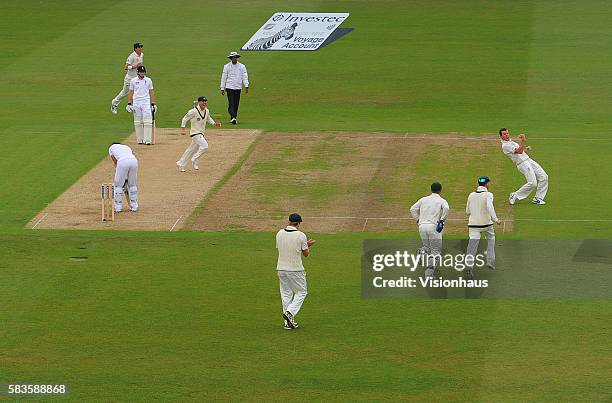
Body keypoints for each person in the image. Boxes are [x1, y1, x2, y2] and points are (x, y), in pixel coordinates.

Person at [276, 213, 315, 330]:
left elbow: (283, 248)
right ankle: (290, 312)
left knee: (286, 294)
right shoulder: (301, 235)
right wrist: (307, 245)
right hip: (295, 269)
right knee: (301, 292)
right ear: (298, 223)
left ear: (289, 221)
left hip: (281, 268)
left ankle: (287, 323)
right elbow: (306, 254)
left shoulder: (279, 233)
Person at [410, 182, 450, 278]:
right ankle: (429, 274)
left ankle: (421, 253)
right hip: (433, 227)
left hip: (422, 226)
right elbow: (446, 208)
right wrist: (442, 220)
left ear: (431, 189)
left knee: (427, 247)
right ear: (440, 190)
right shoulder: (441, 200)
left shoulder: (423, 199)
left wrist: (418, 220)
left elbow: (412, 209)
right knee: (435, 252)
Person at [499, 128, 548, 205]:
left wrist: (526, 149)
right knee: (533, 183)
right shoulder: (505, 145)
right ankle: (515, 195)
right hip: (522, 164)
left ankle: (538, 198)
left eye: (507, 133)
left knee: (544, 176)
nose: (507, 135)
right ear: (501, 136)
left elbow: (522, 152)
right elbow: (519, 151)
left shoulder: (512, 142)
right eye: (504, 134)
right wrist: (522, 141)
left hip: (528, 160)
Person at [465, 176, 501, 278]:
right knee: (491, 239)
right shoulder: (489, 194)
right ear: (487, 184)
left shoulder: (471, 195)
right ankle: (490, 262)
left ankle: (469, 267)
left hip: (473, 225)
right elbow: (489, 206)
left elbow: (467, 211)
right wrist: (496, 219)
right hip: (487, 224)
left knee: (472, 247)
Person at [176, 96, 221, 172]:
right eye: (203, 101)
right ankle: (194, 159)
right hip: (195, 133)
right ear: (199, 102)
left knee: (190, 150)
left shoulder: (207, 110)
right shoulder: (193, 111)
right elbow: (185, 119)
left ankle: (181, 163)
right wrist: (183, 129)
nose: (204, 103)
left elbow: (208, 118)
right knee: (205, 146)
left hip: (201, 133)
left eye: (205, 101)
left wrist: (214, 124)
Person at [111, 43, 144, 114]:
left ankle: (131, 106)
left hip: (137, 78)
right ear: (135, 49)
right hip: (129, 79)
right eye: (139, 47)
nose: (141, 49)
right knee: (124, 93)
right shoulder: (132, 56)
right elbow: (125, 67)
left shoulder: (141, 55)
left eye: (141, 47)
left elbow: (140, 64)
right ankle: (114, 103)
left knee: (136, 92)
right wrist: (134, 67)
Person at [126, 65, 156, 145]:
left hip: (146, 102)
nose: (142, 74)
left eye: (143, 73)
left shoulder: (148, 80)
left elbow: (151, 91)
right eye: (141, 72)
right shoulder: (133, 81)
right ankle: (140, 139)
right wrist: (129, 103)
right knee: (137, 122)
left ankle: (148, 140)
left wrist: (153, 103)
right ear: (138, 72)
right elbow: (131, 92)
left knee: (148, 122)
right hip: (136, 102)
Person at [220, 51, 249, 125]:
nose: (234, 59)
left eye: (235, 57)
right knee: (231, 103)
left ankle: (234, 117)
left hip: (238, 87)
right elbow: (224, 77)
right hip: (229, 87)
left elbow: (244, 76)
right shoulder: (226, 66)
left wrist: (246, 85)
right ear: (231, 58)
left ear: (237, 58)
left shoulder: (242, 66)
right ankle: (233, 117)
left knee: (236, 103)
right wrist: (222, 88)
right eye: (233, 58)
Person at [108, 143, 138, 213]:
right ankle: (134, 206)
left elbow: (115, 162)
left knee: (118, 185)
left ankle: (118, 207)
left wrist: (120, 174)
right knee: (132, 184)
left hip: (122, 162)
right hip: (134, 161)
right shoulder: (126, 146)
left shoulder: (111, 148)